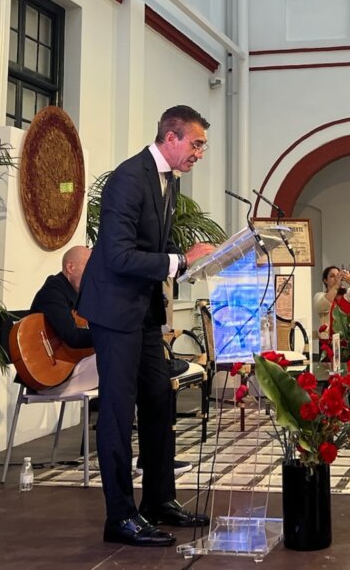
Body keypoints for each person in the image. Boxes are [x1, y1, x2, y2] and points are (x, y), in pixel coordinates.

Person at [78, 105, 215, 547]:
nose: (199, 154)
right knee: (118, 412)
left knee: (159, 398)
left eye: (202, 146)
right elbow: (118, 255)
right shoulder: (128, 178)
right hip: (114, 310)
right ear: (171, 138)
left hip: (143, 310)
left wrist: (191, 261)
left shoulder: (169, 181)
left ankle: (158, 500)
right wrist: (179, 261)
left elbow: (158, 244)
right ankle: (120, 516)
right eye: (196, 144)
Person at [29, 245, 97, 395]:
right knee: (117, 355)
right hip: (51, 375)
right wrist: (107, 334)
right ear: (70, 267)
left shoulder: (80, 295)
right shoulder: (53, 291)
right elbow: (72, 337)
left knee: (123, 353)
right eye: (89, 267)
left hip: (72, 368)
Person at [314, 265, 350, 334]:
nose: (336, 278)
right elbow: (322, 306)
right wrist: (336, 285)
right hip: (329, 339)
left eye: (338, 275)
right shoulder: (319, 296)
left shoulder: (348, 293)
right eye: (332, 276)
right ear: (325, 280)